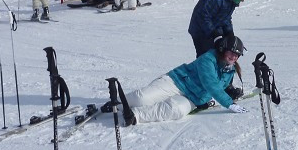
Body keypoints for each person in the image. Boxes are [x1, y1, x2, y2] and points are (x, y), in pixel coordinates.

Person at [105, 35, 250, 126]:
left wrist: (230, 93)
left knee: (177, 110)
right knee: (142, 98)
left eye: (237, 55)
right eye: (231, 53)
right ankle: (116, 103)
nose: (234, 57)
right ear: (222, 49)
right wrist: (229, 103)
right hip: (177, 81)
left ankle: (135, 116)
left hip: (194, 97)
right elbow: (210, 83)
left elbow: (221, 85)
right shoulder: (208, 59)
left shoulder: (230, 69)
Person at [188, 0, 257, 56]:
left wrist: (230, 34)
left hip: (215, 27)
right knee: (208, 55)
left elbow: (225, 18)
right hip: (201, 30)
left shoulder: (231, 0)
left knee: (224, 51)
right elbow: (203, 17)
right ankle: (204, 67)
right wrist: (215, 35)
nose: (242, 0)